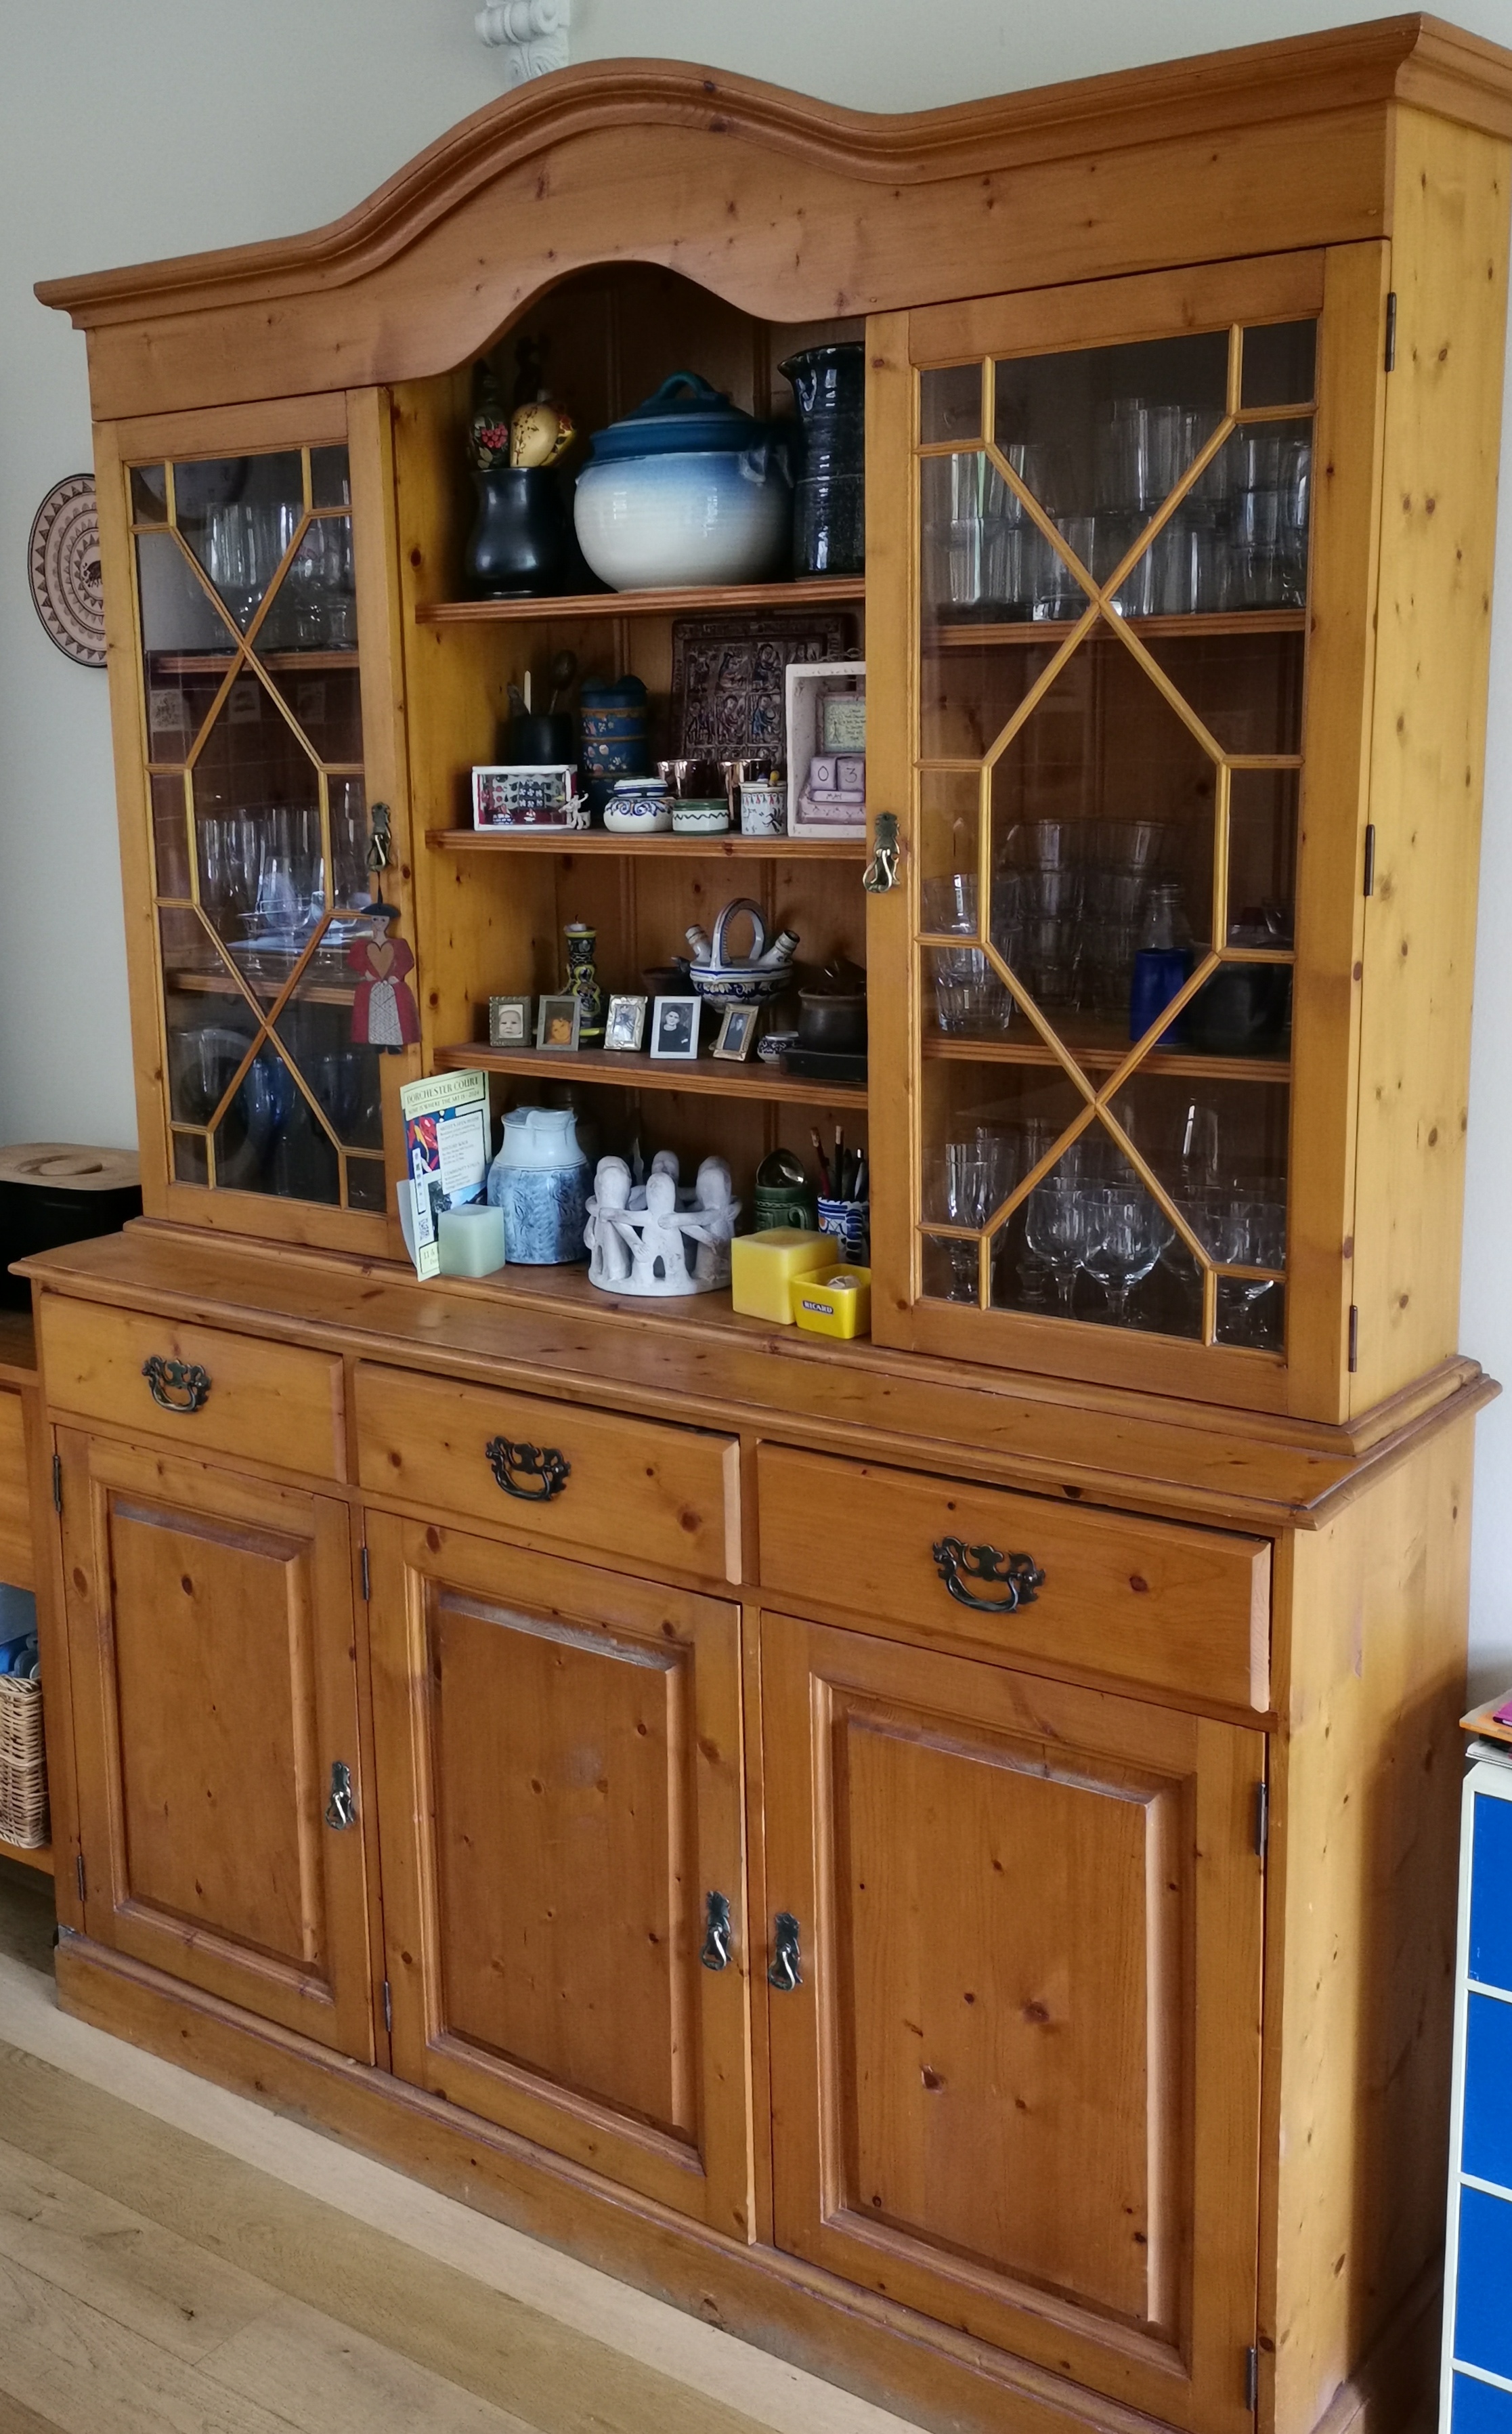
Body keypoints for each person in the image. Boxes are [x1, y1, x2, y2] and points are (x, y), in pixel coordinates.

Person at [347, 900, 419, 1050]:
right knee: (374, 1014)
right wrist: (365, 972)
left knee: (393, 1013)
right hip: (374, 987)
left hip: (391, 987)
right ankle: (377, 1042)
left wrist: (397, 975)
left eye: (383, 920)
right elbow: (354, 960)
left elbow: (407, 961)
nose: (379, 923)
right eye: (376, 919)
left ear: (389, 921)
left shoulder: (398, 945)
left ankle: (394, 1043)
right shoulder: (363, 946)